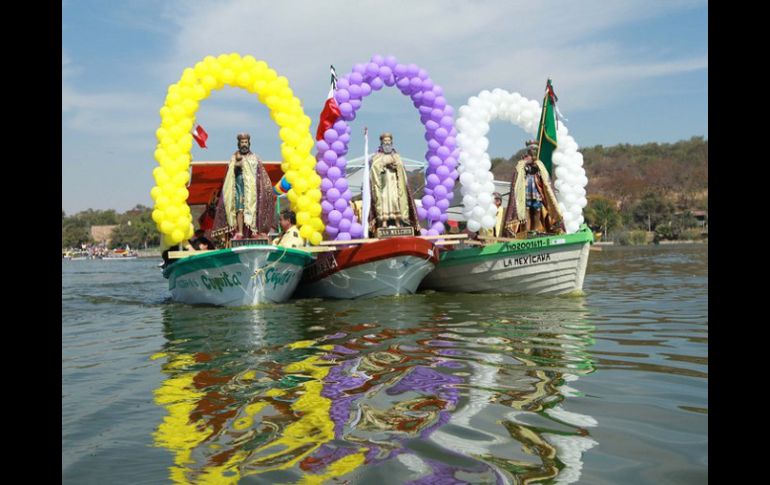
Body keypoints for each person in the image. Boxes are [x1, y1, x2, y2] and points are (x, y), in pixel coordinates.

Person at [217, 133, 276, 240]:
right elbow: (230, 170)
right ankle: (239, 232)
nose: (244, 144)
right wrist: (237, 163)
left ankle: (254, 230)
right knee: (239, 209)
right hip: (239, 187)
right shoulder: (234, 157)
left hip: (252, 189)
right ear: (239, 144)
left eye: (246, 142)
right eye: (242, 142)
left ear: (249, 143)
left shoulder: (255, 157)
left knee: (253, 209)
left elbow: (261, 173)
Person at [502, 140, 564, 237]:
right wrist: (525, 165)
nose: (533, 151)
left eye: (535, 149)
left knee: (536, 210)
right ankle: (526, 230)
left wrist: (537, 168)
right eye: (531, 149)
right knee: (526, 211)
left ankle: (536, 229)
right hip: (525, 191)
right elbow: (518, 175)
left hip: (536, 190)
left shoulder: (539, 164)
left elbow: (545, 178)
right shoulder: (522, 163)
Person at [368, 132, 420, 231]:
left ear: (391, 142)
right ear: (381, 143)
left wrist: (395, 165)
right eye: (385, 141)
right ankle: (383, 221)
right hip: (383, 182)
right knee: (383, 200)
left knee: (395, 199)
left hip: (393, 182)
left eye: (388, 141)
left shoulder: (396, 155)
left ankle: (397, 220)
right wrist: (383, 163)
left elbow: (400, 166)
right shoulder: (377, 155)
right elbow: (374, 166)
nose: (387, 143)